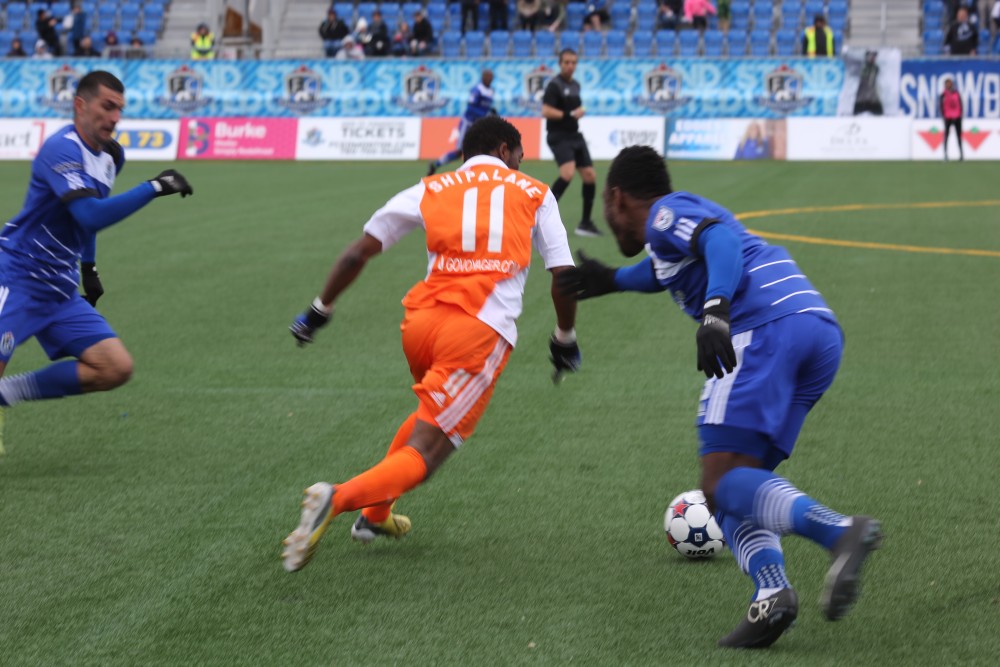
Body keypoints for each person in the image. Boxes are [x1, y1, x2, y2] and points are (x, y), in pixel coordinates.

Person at [556, 145, 882, 649]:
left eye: (606, 209)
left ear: (617, 197)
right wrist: (612, 281)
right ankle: (773, 596)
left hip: (764, 327)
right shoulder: (668, 235)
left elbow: (722, 242)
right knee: (738, 486)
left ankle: (839, 531)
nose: (608, 218)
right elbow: (662, 268)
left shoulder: (665, 213)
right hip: (814, 331)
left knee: (718, 481)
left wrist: (715, 310)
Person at [280, 115, 582, 573]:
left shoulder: (431, 187)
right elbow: (563, 275)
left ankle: (375, 516)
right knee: (430, 449)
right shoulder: (536, 193)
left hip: (420, 326)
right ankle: (335, 499)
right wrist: (564, 337)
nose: (521, 165)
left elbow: (358, 251)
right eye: (519, 155)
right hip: (477, 334)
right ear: (504, 149)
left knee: (429, 412)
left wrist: (318, 310)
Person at [0, 71, 192, 440]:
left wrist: (89, 267)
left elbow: (85, 221)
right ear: (80, 105)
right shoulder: (61, 149)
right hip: (16, 276)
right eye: (108, 106)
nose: (116, 117)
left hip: (58, 289)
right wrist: (154, 187)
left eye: (120, 109)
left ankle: (8, 393)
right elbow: (90, 214)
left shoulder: (110, 156)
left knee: (115, 368)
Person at [541, 49, 600, 237]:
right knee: (567, 173)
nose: (570, 66)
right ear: (560, 64)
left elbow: (574, 110)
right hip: (558, 135)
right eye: (566, 62)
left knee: (590, 176)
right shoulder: (554, 85)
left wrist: (579, 111)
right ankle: (542, 216)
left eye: (573, 62)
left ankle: (585, 223)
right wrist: (570, 114)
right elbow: (546, 111)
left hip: (574, 135)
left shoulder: (576, 85)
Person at [428, 69, 496, 176]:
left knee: (481, 150)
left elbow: (485, 107)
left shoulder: (491, 91)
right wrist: (485, 114)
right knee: (460, 151)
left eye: (491, 77)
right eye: (488, 76)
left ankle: (477, 173)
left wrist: (491, 111)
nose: (490, 79)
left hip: (479, 125)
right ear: (483, 77)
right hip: (468, 123)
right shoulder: (477, 90)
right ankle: (436, 164)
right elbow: (471, 108)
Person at [939, 77, 964, 161]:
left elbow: (960, 104)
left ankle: (961, 155)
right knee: (946, 136)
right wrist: (943, 115)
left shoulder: (956, 93)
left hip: (957, 117)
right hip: (948, 117)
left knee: (959, 136)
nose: (948, 85)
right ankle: (945, 155)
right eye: (947, 83)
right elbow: (940, 106)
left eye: (949, 83)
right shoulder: (943, 95)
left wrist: (960, 114)